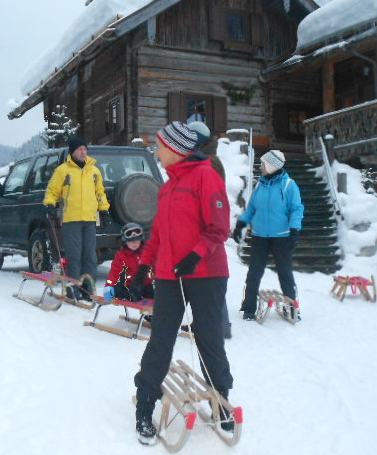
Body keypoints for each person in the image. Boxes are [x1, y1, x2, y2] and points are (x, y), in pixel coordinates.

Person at [129, 121, 234, 445]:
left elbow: (219, 228)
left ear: (175, 149)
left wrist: (196, 255)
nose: (157, 153)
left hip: (207, 273)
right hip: (170, 277)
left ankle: (221, 403)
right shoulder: (168, 187)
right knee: (160, 339)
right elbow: (158, 235)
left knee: (209, 339)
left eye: (160, 147)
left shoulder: (206, 177)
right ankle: (145, 405)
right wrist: (142, 268)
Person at [232, 150, 305, 321]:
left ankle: (291, 308)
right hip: (259, 236)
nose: (261, 167)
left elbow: (296, 209)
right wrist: (241, 224)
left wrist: (294, 230)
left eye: (264, 164)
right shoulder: (260, 185)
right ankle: (249, 308)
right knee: (254, 273)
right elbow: (251, 208)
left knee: (285, 273)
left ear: (273, 166)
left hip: (282, 237)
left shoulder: (289, 185)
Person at [44, 137, 110, 301]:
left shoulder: (94, 171)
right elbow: (52, 190)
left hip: (89, 219)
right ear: (72, 151)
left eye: (85, 149)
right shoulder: (63, 170)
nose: (83, 152)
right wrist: (50, 204)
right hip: (71, 219)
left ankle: (88, 287)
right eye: (80, 149)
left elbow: (100, 193)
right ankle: (73, 287)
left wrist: (104, 211)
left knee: (90, 255)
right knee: (74, 255)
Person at [186, 120, 231, 339]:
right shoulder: (204, 160)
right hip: (200, 228)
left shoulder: (211, 162)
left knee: (212, 277)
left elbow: (211, 196)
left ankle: (221, 326)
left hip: (209, 229)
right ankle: (201, 323)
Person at [104, 223, 154, 302]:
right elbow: (114, 272)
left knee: (153, 296)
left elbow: (156, 266)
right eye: (131, 241)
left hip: (147, 285)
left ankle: (151, 313)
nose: (134, 244)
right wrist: (109, 285)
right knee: (127, 293)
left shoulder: (147, 252)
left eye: (137, 241)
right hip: (129, 286)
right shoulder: (121, 256)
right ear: (125, 241)